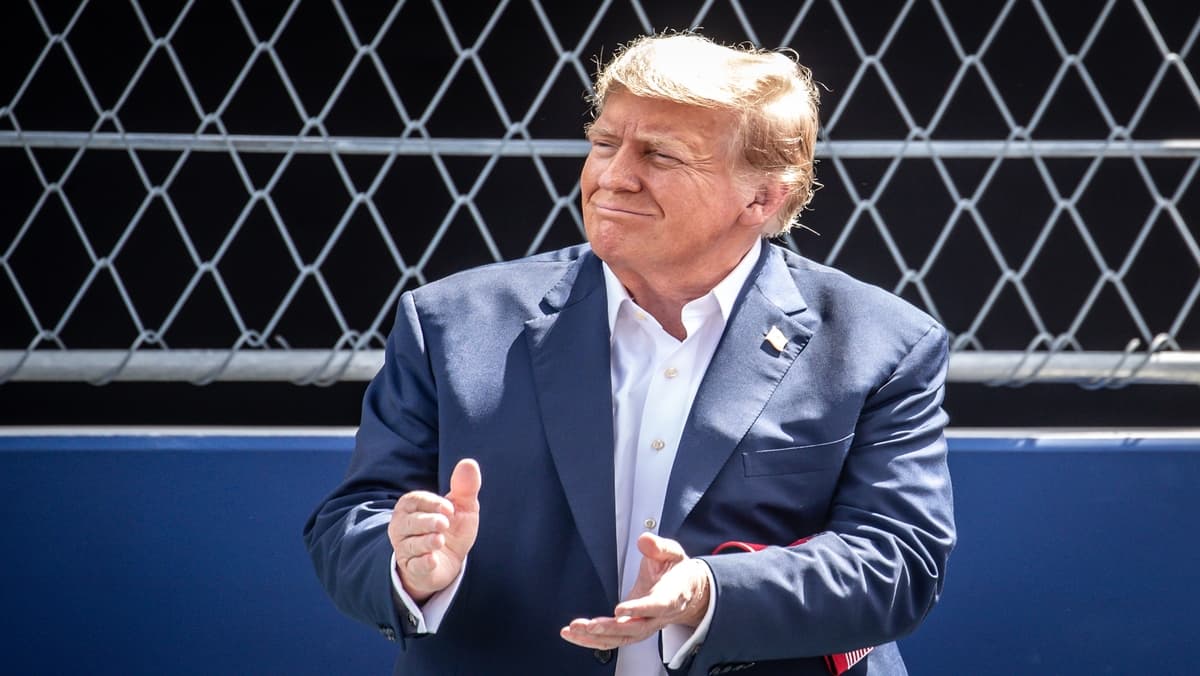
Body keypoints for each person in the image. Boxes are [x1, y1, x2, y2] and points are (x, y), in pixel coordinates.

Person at [304, 32, 954, 676]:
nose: (613, 177)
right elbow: (351, 522)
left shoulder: (880, 344)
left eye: (660, 155)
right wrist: (407, 566)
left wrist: (712, 594)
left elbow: (898, 561)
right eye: (604, 144)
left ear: (762, 197)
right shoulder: (452, 323)